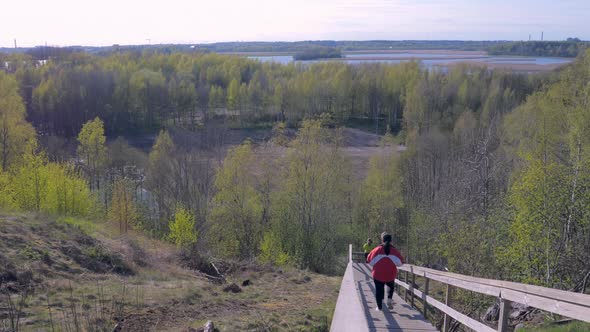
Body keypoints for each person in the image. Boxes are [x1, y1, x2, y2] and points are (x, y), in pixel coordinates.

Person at [366, 232, 404, 311]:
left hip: (378, 274)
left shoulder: (376, 250)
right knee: (390, 286)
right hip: (390, 274)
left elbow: (370, 261)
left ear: (382, 240)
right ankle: (389, 299)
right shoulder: (394, 251)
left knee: (379, 290)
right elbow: (400, 263)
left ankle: (379, 307)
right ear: (391, 241)